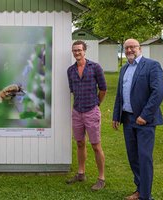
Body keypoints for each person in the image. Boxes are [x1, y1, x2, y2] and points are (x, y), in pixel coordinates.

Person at [112, 39, 163, 200]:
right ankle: (140, 190)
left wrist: (144, 116)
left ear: (139, 48)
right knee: (133, 157)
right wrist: (116, 116)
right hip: (127, 119)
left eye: (132, 47)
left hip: (144, 121)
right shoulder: (124, 69)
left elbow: (158, 93)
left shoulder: (152, 66)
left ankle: (146, 196)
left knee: (144, 158)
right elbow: (120, 95)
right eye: (127, 47)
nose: (129, 50)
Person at [66, 40, 107, 191]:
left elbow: (103, 89)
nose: (77, 53)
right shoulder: (70, 70)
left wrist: (97, 104)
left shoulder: (95, 67)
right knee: (80, 143)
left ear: (84, 51)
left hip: (91, 110)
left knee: (96, 145)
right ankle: (81, 173)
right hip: (77, 111)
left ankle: (101, 178)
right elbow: (72, 90)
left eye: (79, 50)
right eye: (74, 50)